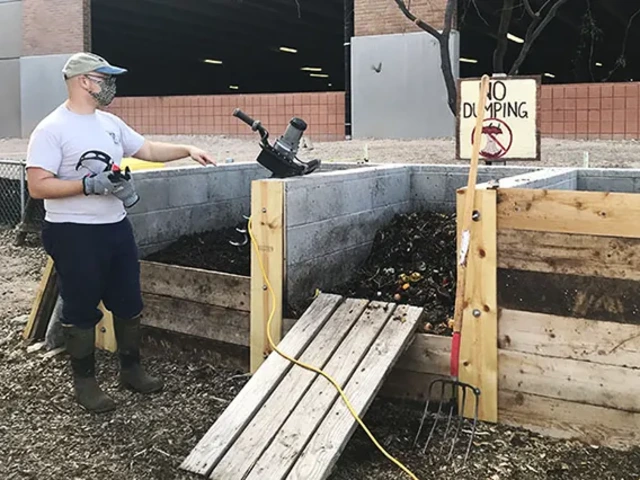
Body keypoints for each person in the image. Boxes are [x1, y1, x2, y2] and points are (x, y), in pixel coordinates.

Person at [25, 52, 217, 413]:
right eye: (104, 77)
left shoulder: (110, 123)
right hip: (72, 233)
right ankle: (86, 384)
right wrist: (88, 185)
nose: (110, 84)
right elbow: (37, 186)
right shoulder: (52, 129)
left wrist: (188, 149)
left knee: (129, 302)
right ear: (84, 81)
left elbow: (147, 149)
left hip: (115, 228)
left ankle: (131, 370)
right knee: (81, 308)